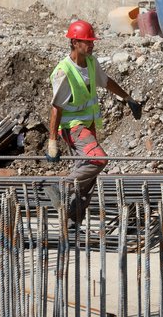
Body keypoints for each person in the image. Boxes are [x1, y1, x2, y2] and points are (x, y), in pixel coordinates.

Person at [45, 20, 142, 226]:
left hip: (87, 124)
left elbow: (106, 82)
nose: (91, 45)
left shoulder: (90, 62)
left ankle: (72, 222)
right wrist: (52, 142)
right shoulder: (65, 71)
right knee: (98, 160)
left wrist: (128, 98)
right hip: (72, 127)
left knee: (87, 178)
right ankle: (62, 187)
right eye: (86, 42)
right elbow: (56, 109)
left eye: (92, 42)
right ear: (74, 42)